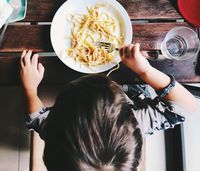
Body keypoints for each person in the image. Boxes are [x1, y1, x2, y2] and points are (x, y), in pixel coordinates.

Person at [20, 44, 197, 171]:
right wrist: (145, 71)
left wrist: (29, 89)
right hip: (133, 81)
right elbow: (187, 106)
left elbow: (35, 117)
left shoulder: (57, 131)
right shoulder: (136, 121)